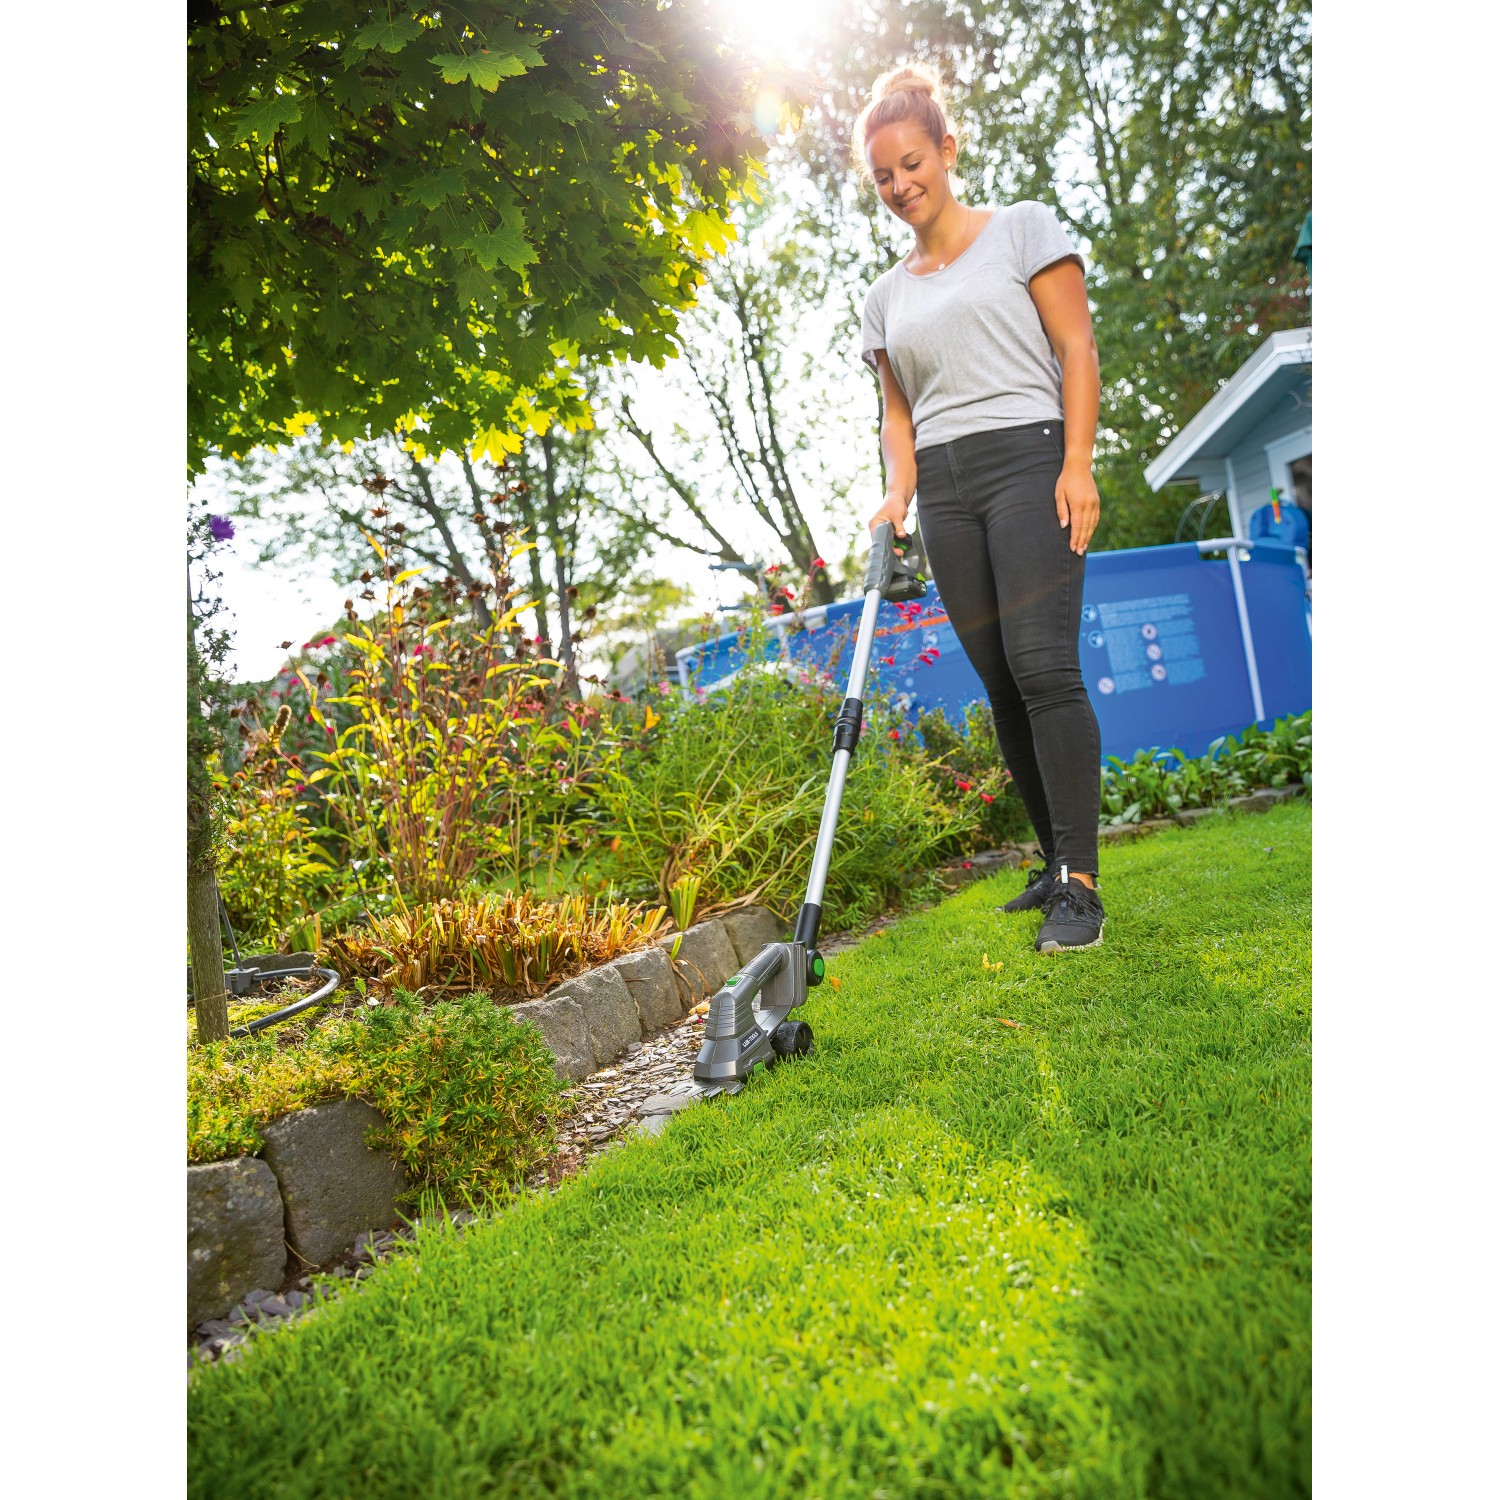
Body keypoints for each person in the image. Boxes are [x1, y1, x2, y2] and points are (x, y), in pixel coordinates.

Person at [856, 64, 1107, 953]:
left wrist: (1078, 464)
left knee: (1045, 666)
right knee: (1002, 681)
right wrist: (899, 492)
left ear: (948, 150)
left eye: (912, 163)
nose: (899, 186)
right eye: (883, 176)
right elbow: (897, 414)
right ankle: (1051, 863)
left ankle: (1082, 886)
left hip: (1029, 460)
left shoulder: (1024, 230)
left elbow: (1076, 347)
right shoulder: (883, 297)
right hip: (948, 493)